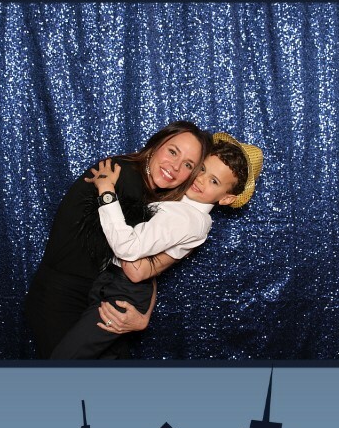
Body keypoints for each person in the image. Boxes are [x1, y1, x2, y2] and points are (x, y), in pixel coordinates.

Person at [49, 133, 263, 362]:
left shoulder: (187, 218)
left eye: (214, 181)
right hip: (113, 284)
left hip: (122, 293)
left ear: (227, 199)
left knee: (65, 359)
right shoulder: (181, 204)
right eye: (202, 169)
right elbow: (150, 266)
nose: (201, 180)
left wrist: (106, 190)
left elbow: (128, 249)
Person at [25, 123, 211, 358]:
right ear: (156, 144)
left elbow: (144, 263)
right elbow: (134, 263)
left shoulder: (157, 197)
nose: (175, 167)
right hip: (61, 298)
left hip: (99, 297)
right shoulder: (122, 176)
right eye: (173, 151)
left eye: (188, 165)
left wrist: (144, 316)